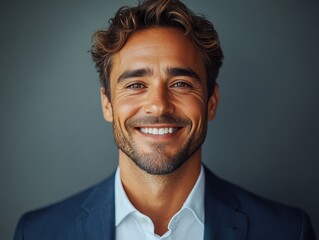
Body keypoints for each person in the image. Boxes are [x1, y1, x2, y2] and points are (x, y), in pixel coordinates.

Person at [14, 0, 316, 239]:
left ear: (212, 102)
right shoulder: (39, 232)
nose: (158, 105)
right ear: (107, 104)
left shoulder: (288, 231)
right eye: (135, 85)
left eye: (181, 84)